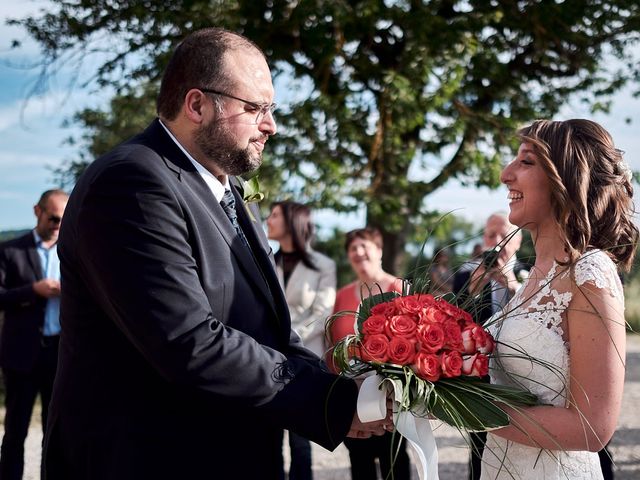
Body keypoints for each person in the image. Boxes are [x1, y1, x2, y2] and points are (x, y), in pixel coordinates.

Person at [42, 28, 392, 480]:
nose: (271, 125)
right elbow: (187, 340)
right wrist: (333, 403)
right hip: (150, 459)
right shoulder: (131, 183)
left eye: (272, 109)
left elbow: (269, 330)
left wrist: (343, 393)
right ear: (197, 105)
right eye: (256, 108)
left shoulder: (225, 188)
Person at [480, 119, 637, 479]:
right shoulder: (536, 275)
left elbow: (593, 427)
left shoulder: (589, 272)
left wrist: (471, 409)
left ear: (564, 178)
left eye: (526, 162)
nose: (506, 174)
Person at [329, 227, 411, 480]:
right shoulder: (342, 296)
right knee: (359, 462)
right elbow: (334, 344)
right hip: (354, 395)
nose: (358, 252)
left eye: (364, 245)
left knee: (395, 462)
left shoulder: (400, 289)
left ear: (379, 250)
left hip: (393, 395)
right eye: (353, 248)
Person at [452, 213, 526, 480]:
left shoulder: (533, 271)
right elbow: (456, 321)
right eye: (489, 235)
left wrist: (512, 284)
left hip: (523, 373)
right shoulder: (465, 276)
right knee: (480, 447)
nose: (495, 241)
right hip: (481, 375)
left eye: (502, 235)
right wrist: (473, 288)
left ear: (518, 239)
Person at [266, 201, 337, 480]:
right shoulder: (265, 260)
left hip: (303, 361)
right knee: (266, 438)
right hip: (265, 359)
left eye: (273, 216)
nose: (268, 221)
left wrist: (284, 339)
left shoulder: (324, 265)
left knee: (300, 440)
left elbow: (322, 315)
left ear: (292, 222)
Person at [0, 189, 68, 480]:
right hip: (21, 355)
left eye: (63, 219)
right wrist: (33, 291)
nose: (57, 225)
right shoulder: (10, 250)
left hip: (60, 354)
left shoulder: (73, 249)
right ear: (37, 211)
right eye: (53, 218)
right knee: (16, 430)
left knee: (56, 434)